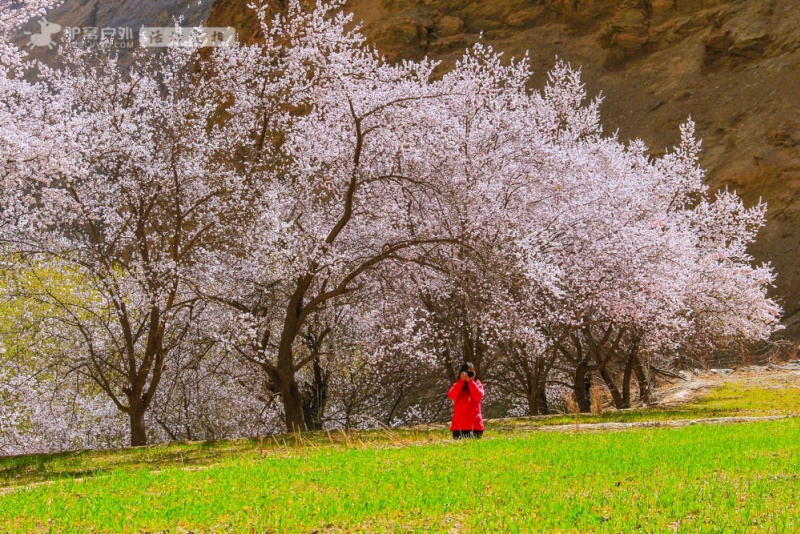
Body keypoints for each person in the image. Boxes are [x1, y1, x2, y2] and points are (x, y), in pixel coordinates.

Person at [447, 362, 485, 439]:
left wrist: (471, 382)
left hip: (475, 426)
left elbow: (478, 396)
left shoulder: (478, 385)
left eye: (472, 371)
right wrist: (461, 382)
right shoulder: (458, 385)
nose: (470, 374)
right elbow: (452, 395)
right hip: (459, 427)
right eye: (468, 371)